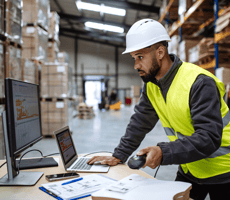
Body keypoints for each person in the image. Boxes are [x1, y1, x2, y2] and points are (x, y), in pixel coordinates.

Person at [87, 19, 230, 200]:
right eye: (133, 58)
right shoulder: (152, 85)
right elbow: (140, 122)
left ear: (160, 52)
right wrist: (119, 155)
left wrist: (164, 152)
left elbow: (209, 137)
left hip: (224, 171)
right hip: (190, 168)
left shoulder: (199, 82)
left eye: (140, 57)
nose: (136, 65)